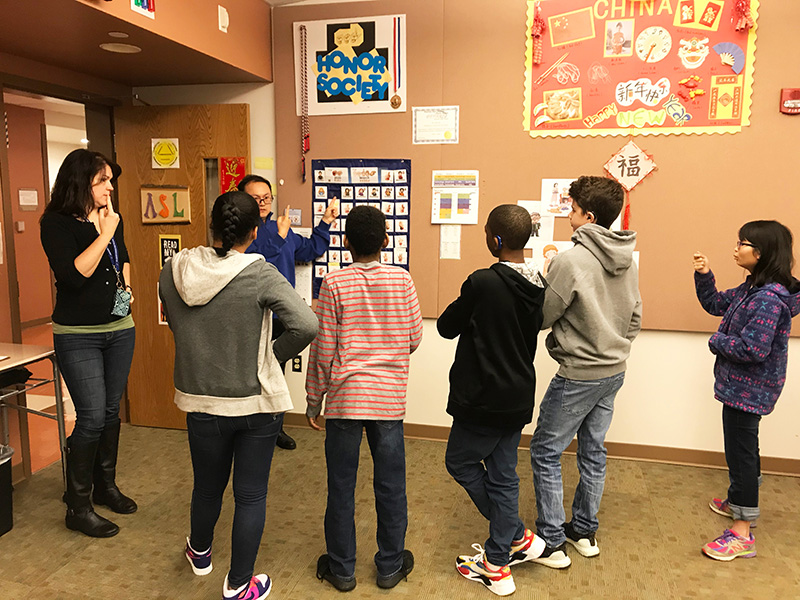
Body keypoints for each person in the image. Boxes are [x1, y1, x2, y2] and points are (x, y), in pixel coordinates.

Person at [159, 191, 317, 600]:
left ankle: (199, 553)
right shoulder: (260, 273)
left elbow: (179, 322)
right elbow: (306, 325)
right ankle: (240, 584)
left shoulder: (173, 269)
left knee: (207, 487)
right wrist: (268, 356)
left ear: (211, 225)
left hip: (201, 401)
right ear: (255, 231)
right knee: (251, 494)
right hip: (255, 405)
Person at [305, 206, 422, 592]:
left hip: (345, 401)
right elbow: (414, 339)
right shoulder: (402, 281)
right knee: (391, 485)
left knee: (341, 485)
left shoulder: (334, 284)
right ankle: (390, 566)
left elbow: (324, 348)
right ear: (386, 241)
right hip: (388, 401)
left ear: (345, 243)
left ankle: (342, 570)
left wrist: (312, 398)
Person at [530, 176, 641, 569]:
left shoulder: (571, 259)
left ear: (588, 216)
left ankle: (552, 540)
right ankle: (584, 531)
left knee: (545, 451)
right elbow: (635, 318)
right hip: (614, 371)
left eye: (572, 209)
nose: (568, 215)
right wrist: (611, 347)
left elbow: (545, 314)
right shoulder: (626, 258)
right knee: (593, 450)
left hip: (578, 374)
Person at [438, 205, 547, 597]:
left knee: (460, 461)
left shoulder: (482, 282)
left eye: (486, 232)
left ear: (496, 240)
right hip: (518, 395)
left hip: (482, 398)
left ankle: (508, 543)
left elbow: (447, 326)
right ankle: (502, 552)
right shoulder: (538, 282)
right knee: (502, 475)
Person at [40, 149, 136, 538]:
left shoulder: (113, 217)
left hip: (120, 328)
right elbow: (77, 274)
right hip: (78, 334)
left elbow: (123, 259)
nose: (111, 187)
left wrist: (127, 289)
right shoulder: (56, 223)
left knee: (111, 413)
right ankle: (77, 506)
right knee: (92, 416)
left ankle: (105, 487)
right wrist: (104, 233)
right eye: (103, 181)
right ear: (81, 182)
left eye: (111, 180)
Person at [692, 221, 800, 561]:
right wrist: (705, 273)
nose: (736, 248)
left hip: (749, 390)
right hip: (740, 387)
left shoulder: (767, 299)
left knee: (741, 454)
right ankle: (739, 498)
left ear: (761, 253)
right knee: (743, 448)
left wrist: (716, 341)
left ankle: (742, 532)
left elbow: (754, 349)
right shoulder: (751, 288)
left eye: (743, 243)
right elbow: (713, 303)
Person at [238, 174, 338, 450]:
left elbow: (311, 249)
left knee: (277, 375)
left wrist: (326, 222)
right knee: (252, 375)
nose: (262, 203)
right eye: (255, 198)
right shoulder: (242, 232)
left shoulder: (281, 227)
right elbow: (254, 262)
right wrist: (280, 237)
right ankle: (251, 430)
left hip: (281, 316)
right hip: (253, 315)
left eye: (266, 198)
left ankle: (274, 428)